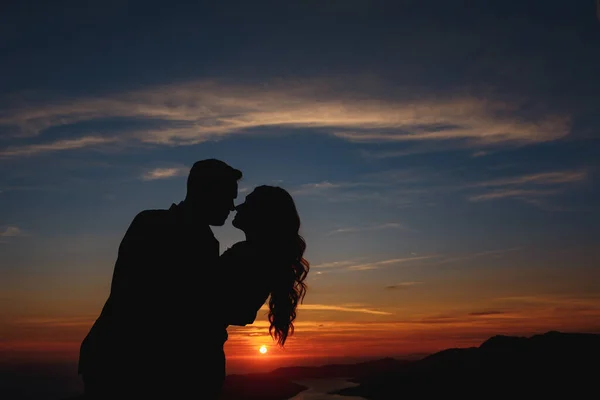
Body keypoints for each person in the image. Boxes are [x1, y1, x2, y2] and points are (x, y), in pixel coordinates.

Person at [78, 158, 242, 399]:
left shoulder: (201, 239)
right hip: (127, 364)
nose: (231, 206)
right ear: (205, 192)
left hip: (135, 362)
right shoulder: (154, 225)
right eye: (228, 197)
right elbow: (145, 300)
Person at [214, 185, 310, 395]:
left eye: (247, 204)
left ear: (262, 215)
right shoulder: (260, 256)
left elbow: (237, 310)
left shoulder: (250, 256)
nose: (237, 207)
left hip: (195, 354)